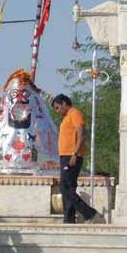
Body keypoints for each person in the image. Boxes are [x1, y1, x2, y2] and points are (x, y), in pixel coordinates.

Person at [51, 94, 100, 224]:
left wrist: (74, 153)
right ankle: (69, 219)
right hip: (65, 155)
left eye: (57, 107)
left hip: (71, 155)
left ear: (64, 104)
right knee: (69, 188)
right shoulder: (66, 117)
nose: (57, 111)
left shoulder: (75, 113)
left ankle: (88, 212)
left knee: (64, 187)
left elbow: (82, 133)